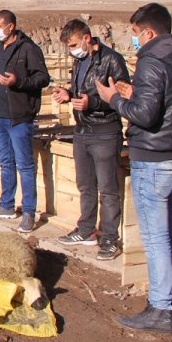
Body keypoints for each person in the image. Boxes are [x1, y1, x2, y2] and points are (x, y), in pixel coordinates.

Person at [96, 3, 172, 334]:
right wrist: (135, 92)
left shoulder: (152, 60)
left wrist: (114, 98)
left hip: (154, 159)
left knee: (156, 236)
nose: (134, 40)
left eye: (135, 33)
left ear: (149, 32)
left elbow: (145, 116)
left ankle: (160, 308)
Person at [52, 19, 130, 261]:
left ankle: (109, 238)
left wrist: (92, 103)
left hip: (105, 131)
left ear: (87, 38)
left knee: (107, 188)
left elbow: (121, 95)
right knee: (85, 184)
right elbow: (81, 92)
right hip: (82, 130)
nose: (71, 50)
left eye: (74, 44)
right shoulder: (79, 61)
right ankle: (86, 229)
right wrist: (69, 95)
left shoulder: (111, 60)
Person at [0, 10, 50, 233]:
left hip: (19, 115)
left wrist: (18, 81)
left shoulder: (28, 49)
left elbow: (43, 78)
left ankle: (29, 211)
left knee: (25, 164)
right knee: (6, 161)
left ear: (10, 26)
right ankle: (6, 204)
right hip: (0, 116)